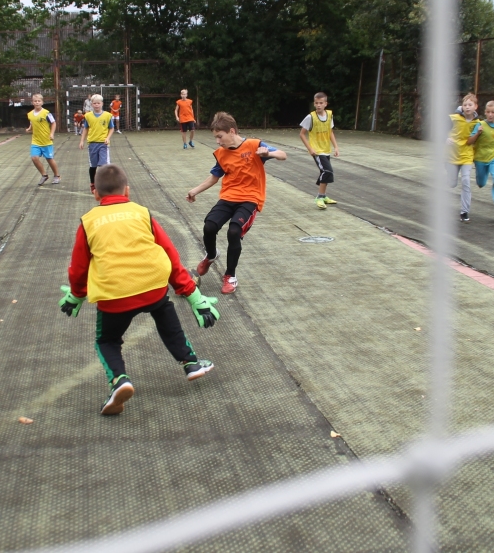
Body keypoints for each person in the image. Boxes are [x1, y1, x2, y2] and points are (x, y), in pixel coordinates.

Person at [59, 164, 220, 415]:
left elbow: (78, 268)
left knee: (107, 340)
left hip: (114, 295)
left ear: (95, 193)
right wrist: (191, 293)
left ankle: (119, 381)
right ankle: (191, 364)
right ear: (127, 190)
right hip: (152, 286)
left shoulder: (88, 221)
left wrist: (76, 294)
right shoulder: (142, 213)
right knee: (166, 316)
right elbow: (169, 254)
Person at [186, 112, 287, 294]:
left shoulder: (254, 146)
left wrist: (269, 152)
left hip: (250, 198)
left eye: (220, 136)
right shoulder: (222, 154)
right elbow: (213, 178)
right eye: (215, 137)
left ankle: (230, 276)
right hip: (228, 197)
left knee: (234, 232)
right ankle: (211, 256)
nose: (217, 141)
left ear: (231, 131)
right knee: (209, 227)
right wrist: (195, 190)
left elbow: (283, 154)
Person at [299, 92, 340, 210]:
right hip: (317, 151)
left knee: (326, 172)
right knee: (327, 171)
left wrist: (336, 147)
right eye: (316, 103)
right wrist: (310, 148)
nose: (318, 105)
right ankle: (319, 197)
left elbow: (330, 132)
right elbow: (302, 134)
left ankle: (324, 195)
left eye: (321, 103)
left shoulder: (329, 115)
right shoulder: (310, 117)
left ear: (325, 104)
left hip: (326, 149)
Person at [448, 94, 479, 223]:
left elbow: (474, 140)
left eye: (470, 105)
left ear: (475, 107)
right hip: (451, 155)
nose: (467, 107)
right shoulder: (453, 118)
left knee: (466, 181)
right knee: (452, 183)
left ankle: (464, 211)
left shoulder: (477, 123)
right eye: (465, 105)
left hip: (467, 155)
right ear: (462, 106)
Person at [78, 94, 114, 194]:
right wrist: (82, 141)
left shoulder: (107, 115)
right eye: (94, 103)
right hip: (92, 144)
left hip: (103, 144)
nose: (96, 105)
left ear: (102, 104)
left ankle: (105, 185)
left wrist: (107, 138)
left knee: (104, 166)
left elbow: (111, 128)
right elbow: (85, 128)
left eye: (98, 103)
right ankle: (93, 184)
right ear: (91, 104)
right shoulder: (88, 116)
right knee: (93, 166)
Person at [25, 94, 60, 186]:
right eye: (35, 101)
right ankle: (44, 175)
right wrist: (29, 128)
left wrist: (51, 133)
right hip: (35, 141)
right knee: (34, 158)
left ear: (42, 102)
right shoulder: (30, 114)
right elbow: (32, 122)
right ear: (32, 102)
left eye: (39, 101)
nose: (37, 102)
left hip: (46, 140)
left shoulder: (46, 113)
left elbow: (53, 123)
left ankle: (57, 175)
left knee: (49, 159)